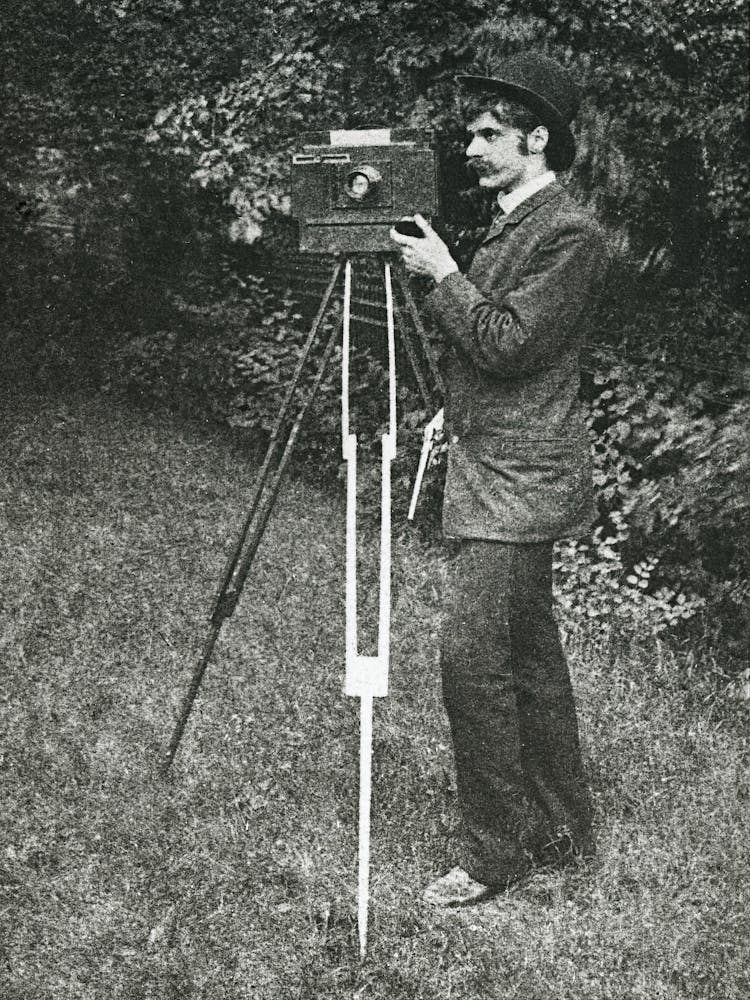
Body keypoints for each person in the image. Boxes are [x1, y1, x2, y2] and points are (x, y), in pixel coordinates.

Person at [390, 52, 607, 906]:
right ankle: (561, 832)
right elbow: (500, 353)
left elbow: (511, 342)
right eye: (472, 134)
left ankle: (495, 854)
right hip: (496, 462)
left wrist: (443, 276)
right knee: (528, 658)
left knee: (472, 660)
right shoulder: (518, 221)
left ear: (537, 138)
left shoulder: (571, 234)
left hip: (520, 482)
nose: (471, 148)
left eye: (489, 135)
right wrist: (456, 406)